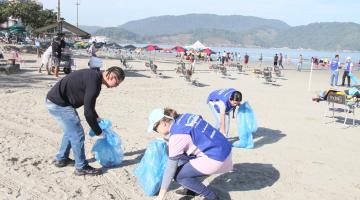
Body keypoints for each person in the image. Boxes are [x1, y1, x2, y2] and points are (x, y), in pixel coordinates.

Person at [46, 67, 125, 176]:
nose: (116, 86)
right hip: (59, 104)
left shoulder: (95, 76)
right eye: (117, 83)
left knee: (71, 130)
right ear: (112, 77)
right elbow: (87, 113)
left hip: (58, 101)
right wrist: (99, 132)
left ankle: (61, 159)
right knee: (77, 134)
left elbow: (89, 104)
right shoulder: (94, 83)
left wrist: (96, 117)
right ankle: (81, 167)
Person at [148, 108, 232, 200]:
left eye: (155, 129)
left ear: (163, 123)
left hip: (218, 159)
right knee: (179, 155)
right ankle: (192, 189)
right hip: (225, 147)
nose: (156, 131)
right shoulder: (185, 116)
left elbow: (170, 168)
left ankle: (212, 197)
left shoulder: (177, 136)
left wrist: (161, 195)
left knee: (179, 176)